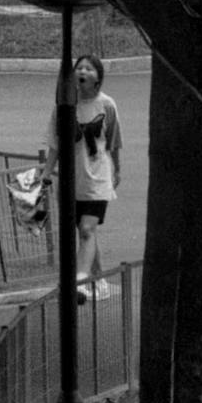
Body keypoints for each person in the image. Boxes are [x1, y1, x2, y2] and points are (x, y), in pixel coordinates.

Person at [71, 53, 122, 283]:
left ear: (98, 77)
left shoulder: (107, 104)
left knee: (86, 230)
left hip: (98, 176)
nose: (82, 72)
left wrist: (117, 170)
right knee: (86, 233)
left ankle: (81, 281)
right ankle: (98, 279)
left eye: (89, 69)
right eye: (79, 68)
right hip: (75, 178)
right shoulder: (67, 106)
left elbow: (113, 140)